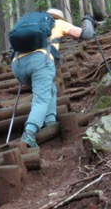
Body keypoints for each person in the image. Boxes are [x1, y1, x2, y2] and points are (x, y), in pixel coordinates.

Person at [12, 8, 95, 147]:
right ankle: (29, 133)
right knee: (41, 99)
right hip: (40, 62)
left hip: (17, 65)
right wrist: (88, 20)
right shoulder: (58, 23)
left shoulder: (31, 25)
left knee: (51, 89)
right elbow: (86, 34)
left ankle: (50, 122)